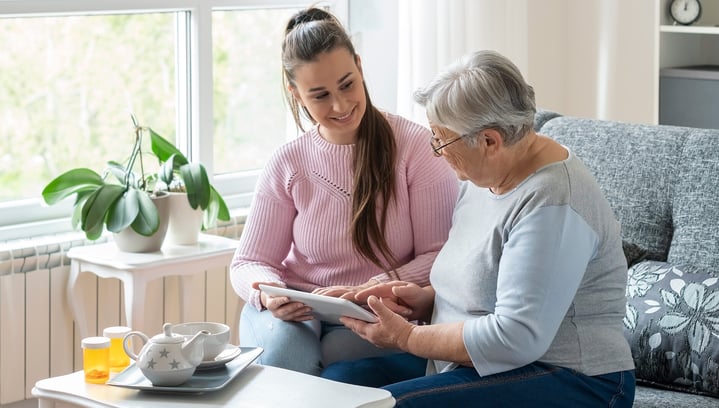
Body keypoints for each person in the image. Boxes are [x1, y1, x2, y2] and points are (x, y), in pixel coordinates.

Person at [320, 50, 636, 407]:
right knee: (340, 383)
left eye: (442, 139)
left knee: (382, 405)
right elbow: (486, 285)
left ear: (489, 141)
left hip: (572, 376)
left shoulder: (554, 201)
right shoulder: (485, 174)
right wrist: (426, 301)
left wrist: (407, 337)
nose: (437, 150)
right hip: (482, 363)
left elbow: (516, 337)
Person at [229, 6, 459, 376]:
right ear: (296, 93)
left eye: (347, 84)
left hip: (372, 308)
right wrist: (268, 291)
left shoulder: (416, 147)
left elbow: (441, 255)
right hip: (297, 311)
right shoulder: (288, 162)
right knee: (290, 352)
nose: (340, 105)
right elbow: (247, 262)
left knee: (336, 353)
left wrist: (366, 289)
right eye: (319, 95)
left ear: (360, 66)